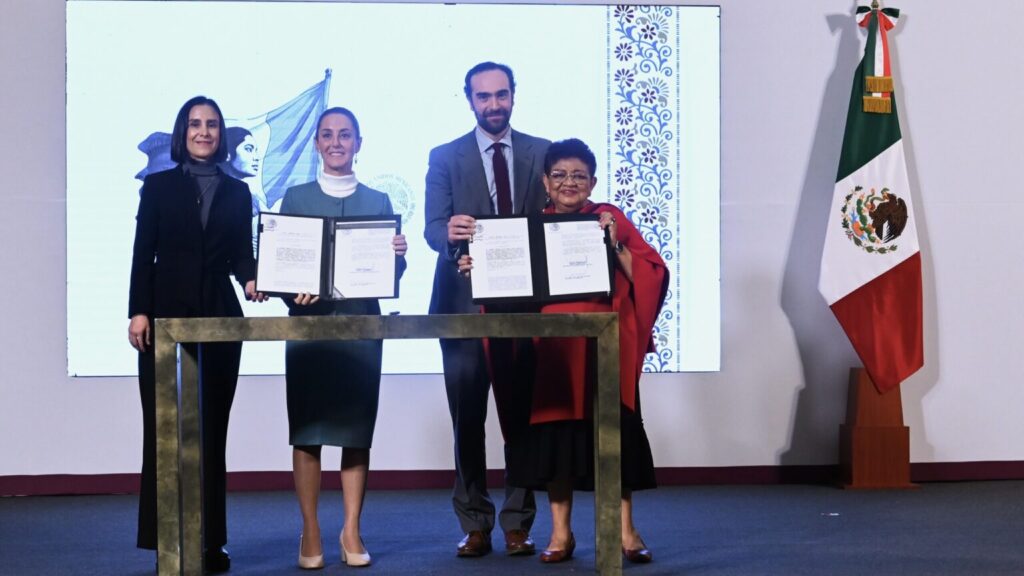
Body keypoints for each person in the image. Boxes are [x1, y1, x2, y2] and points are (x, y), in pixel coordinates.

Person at [458, 138, 669, 564]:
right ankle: (560, 534)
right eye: (559, 175)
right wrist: (478, 270)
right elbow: (510, 292)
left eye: (578, 176)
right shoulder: (531, 225)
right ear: (545, 182)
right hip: (553, 351)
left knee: (615, 437)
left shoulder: (609, 219)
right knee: (557, 441)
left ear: (592, 182)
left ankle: (626, 532)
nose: (569, 183)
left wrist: (616, 245)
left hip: (603, 347)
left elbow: (651, 271)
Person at [128, 95, 268, 572]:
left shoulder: (238, 193)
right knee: (163, 434)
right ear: (181, 132)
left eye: (212, 124)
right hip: (163, 321)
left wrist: (253, 279)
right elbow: (142, 252)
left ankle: (210, 541)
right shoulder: (158, 186)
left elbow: (239, 257)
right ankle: (167, 539)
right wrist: (138, 312)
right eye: (195, 124)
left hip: (221, 321)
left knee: (211, 433)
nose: (204, 132)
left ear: (221, 133)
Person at [423, 61, 550, 558]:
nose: (493, 105)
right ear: (469, 100)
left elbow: (557, 218)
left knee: (520, 418)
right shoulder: (444, 156)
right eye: (483, 96)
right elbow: (433, 228)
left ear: (514, 96)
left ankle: (519, 522)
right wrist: (449, 234)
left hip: (524, 305)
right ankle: (475, 522)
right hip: (460, 303)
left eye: (501, 95)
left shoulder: (542, 153)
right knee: (467, 418)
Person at [280, 107, 408, 570]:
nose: (337, 142)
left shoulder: (378, 202)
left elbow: (388, 275)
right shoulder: (295, 197)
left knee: (356, 432)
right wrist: (287, 287)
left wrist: (397, 255)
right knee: (309, 431)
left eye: (345, 135)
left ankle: (351, 528)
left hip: (360, 330)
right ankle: (310, 528)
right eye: (328, 135)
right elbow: (280, 267)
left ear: (359, 142)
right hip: (309, 330)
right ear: (316, 143)